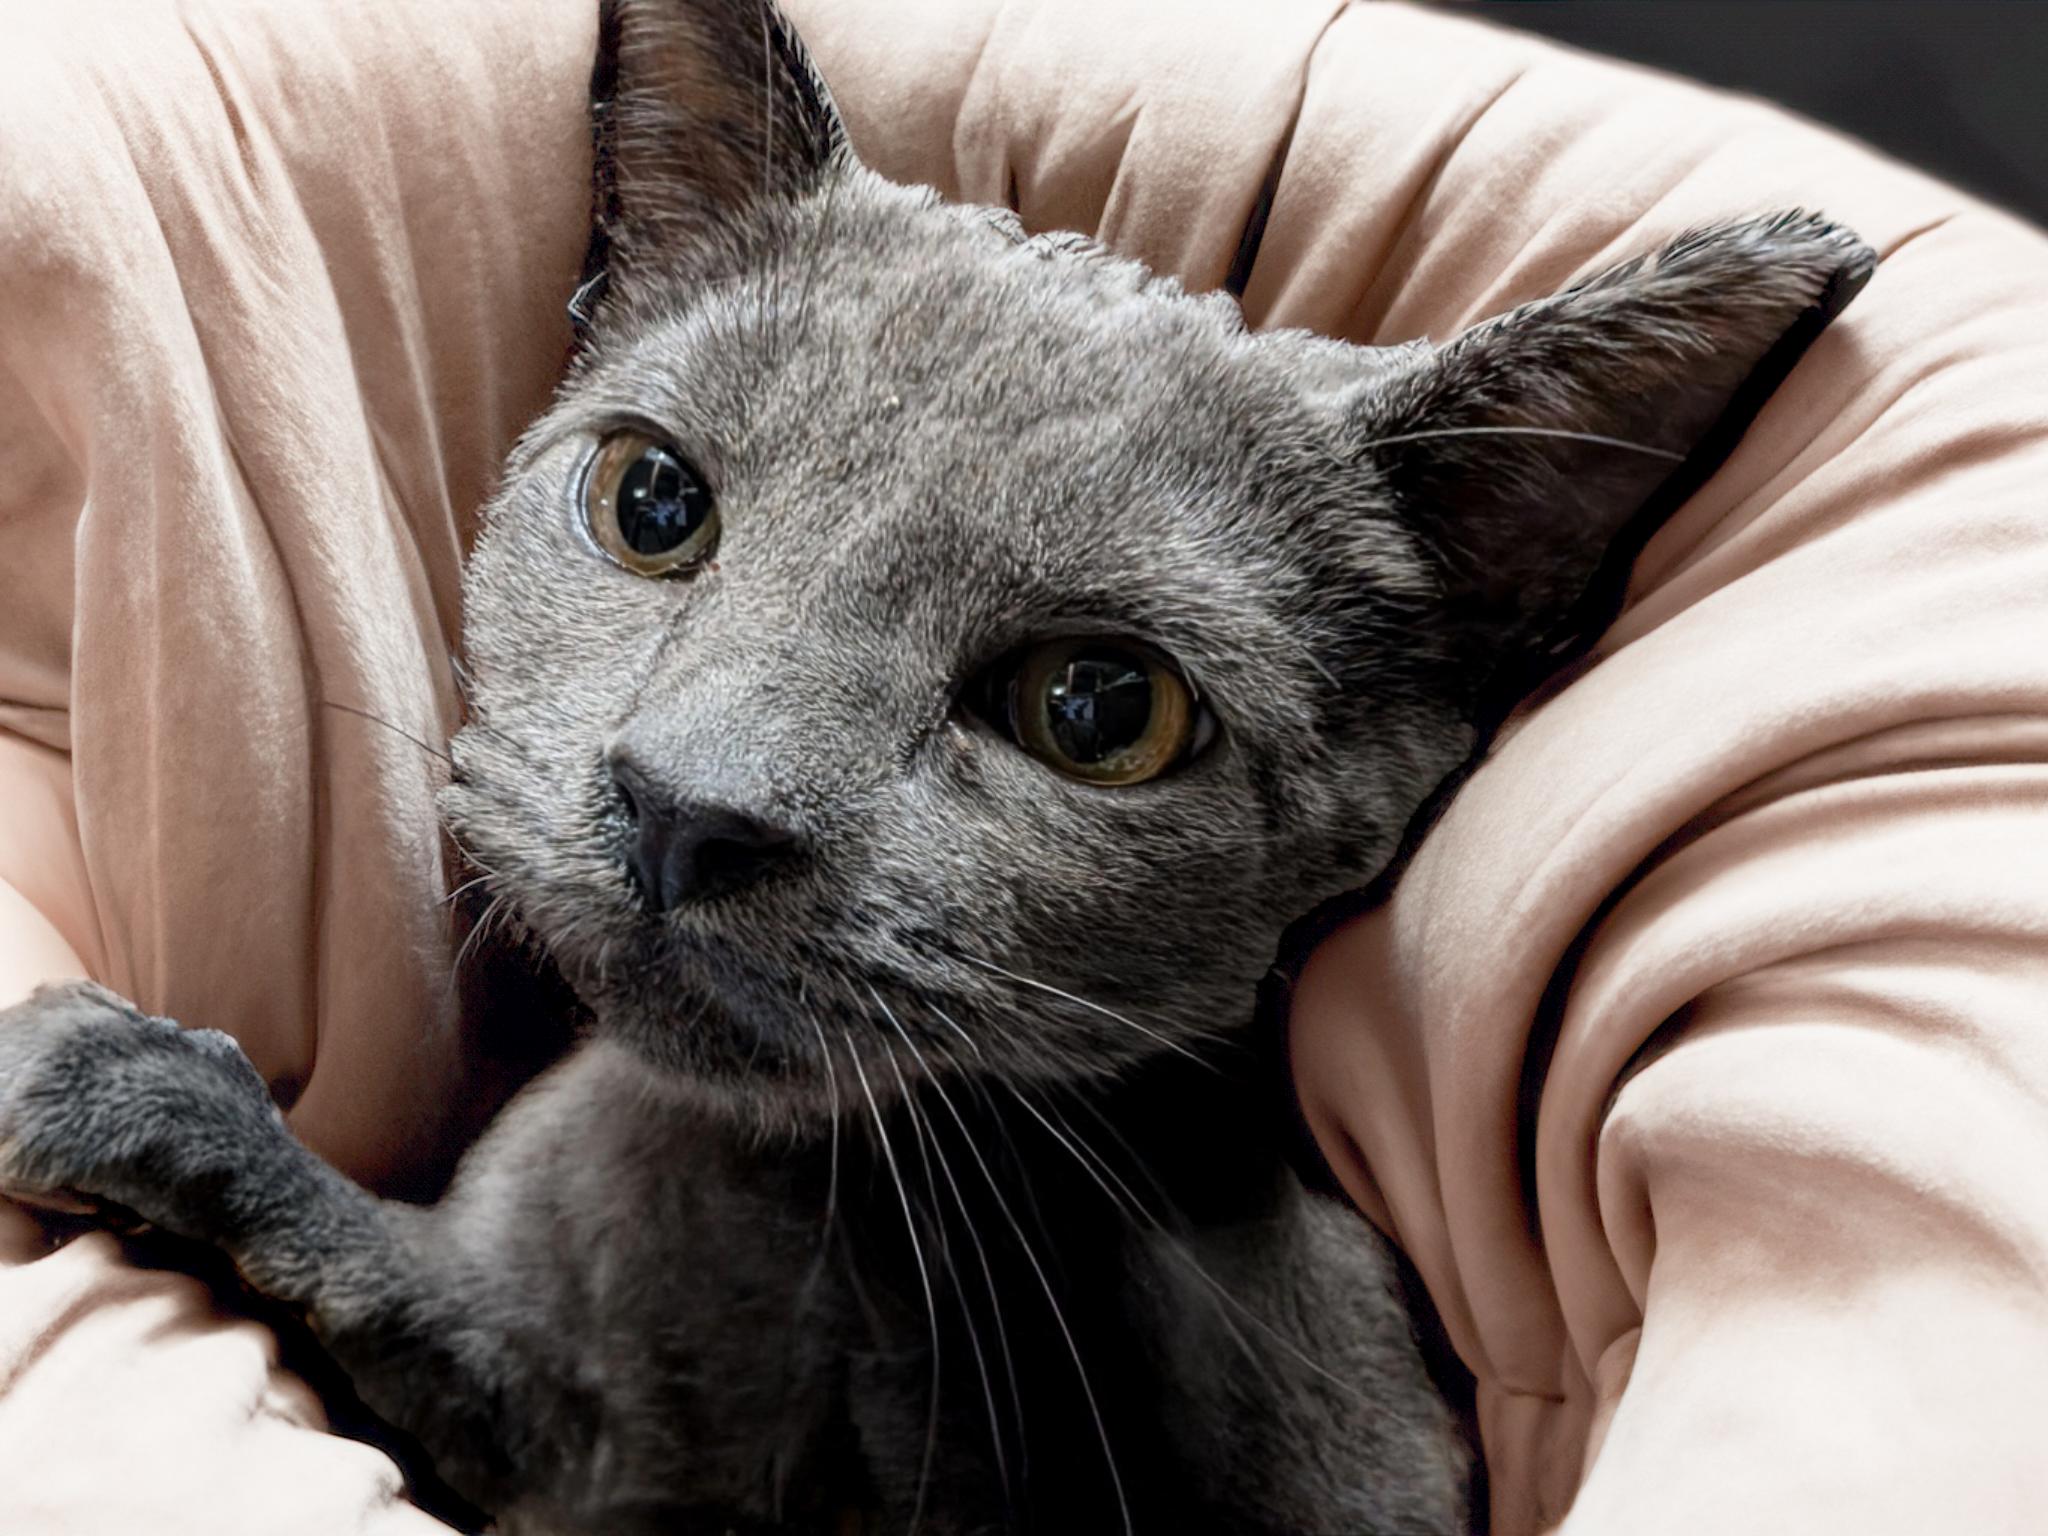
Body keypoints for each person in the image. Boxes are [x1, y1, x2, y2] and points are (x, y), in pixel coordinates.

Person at [2, 0, 2044, 1530]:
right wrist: (244, 1174)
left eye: (1093, 709)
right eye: (654, 510)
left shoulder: (1275, 1360)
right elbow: (543, 1419)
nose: (700, 772)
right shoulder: (613, 1142)